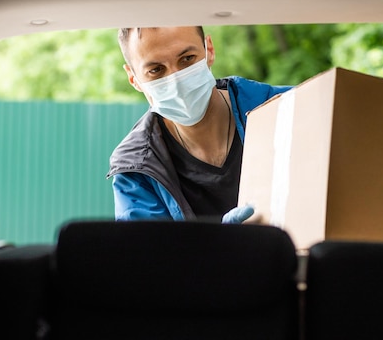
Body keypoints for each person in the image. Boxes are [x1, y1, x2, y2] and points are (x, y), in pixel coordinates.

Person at [107, 26, 291, 223]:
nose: (176, 81)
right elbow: (148, 252)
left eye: (187, 59)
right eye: (156, 70)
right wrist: (221, 247)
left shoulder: (287, 107)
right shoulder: (136, 169)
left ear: (209, 50)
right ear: (134, 78)